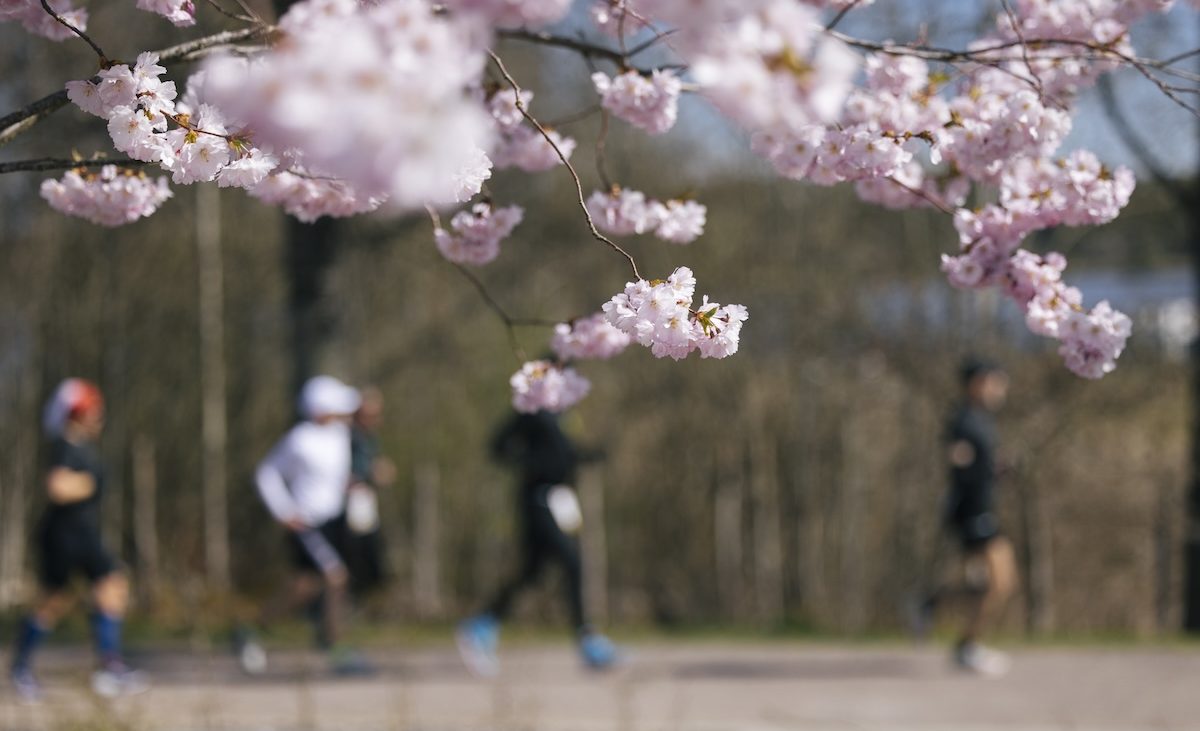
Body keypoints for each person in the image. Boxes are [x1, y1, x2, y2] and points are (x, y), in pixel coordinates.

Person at [9, 379, 147, 702]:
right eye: (94, 412)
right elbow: (57, 486)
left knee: (111, 586)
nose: (99, 419)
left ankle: (109, 667)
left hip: (83, 533)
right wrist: (90, 483)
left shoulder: (80, 446)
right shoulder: (65, 445)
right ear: (78, 415)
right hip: (64, 536)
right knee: (51, 603)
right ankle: (20, 668)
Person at [456, 409, 617, 676]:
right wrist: (533, 463)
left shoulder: (561, 414)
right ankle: (587, 639)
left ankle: (481, 624)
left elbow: (562, 453)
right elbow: (499, 448)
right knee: (572, 562)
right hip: (536, 499)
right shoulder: (532, 410)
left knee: (532, 571)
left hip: (556, 499)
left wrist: (589, 456)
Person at [234, 375, 370, 676]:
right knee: (336, 578)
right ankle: (336, 647)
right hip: (307, 523)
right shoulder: (300, 439)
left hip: (333, 522)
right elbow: (266, 472)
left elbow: (336, 474)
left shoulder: (339, 435)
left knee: (305, 586)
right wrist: (283, 510)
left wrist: (352, 486)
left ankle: (251, 630)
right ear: (320, 410)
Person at [916, 358, 1018, 677]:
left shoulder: (980, 420)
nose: (1000, 390)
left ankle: (933, 605)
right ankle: (966, 646)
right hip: (973, 512)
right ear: (977, 383)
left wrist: (994, 470)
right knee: (1001, 582)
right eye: (995, 382)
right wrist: (974, 470)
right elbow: (958, 461)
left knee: (988, 585)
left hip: (981, 509)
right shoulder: (964, 420)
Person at [343, 387, 392, 599]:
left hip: (364, 501)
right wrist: (370, 474)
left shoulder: (370, 438)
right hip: (348, 501)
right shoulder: (347, 437)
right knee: (354, 557)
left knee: (371, 561)